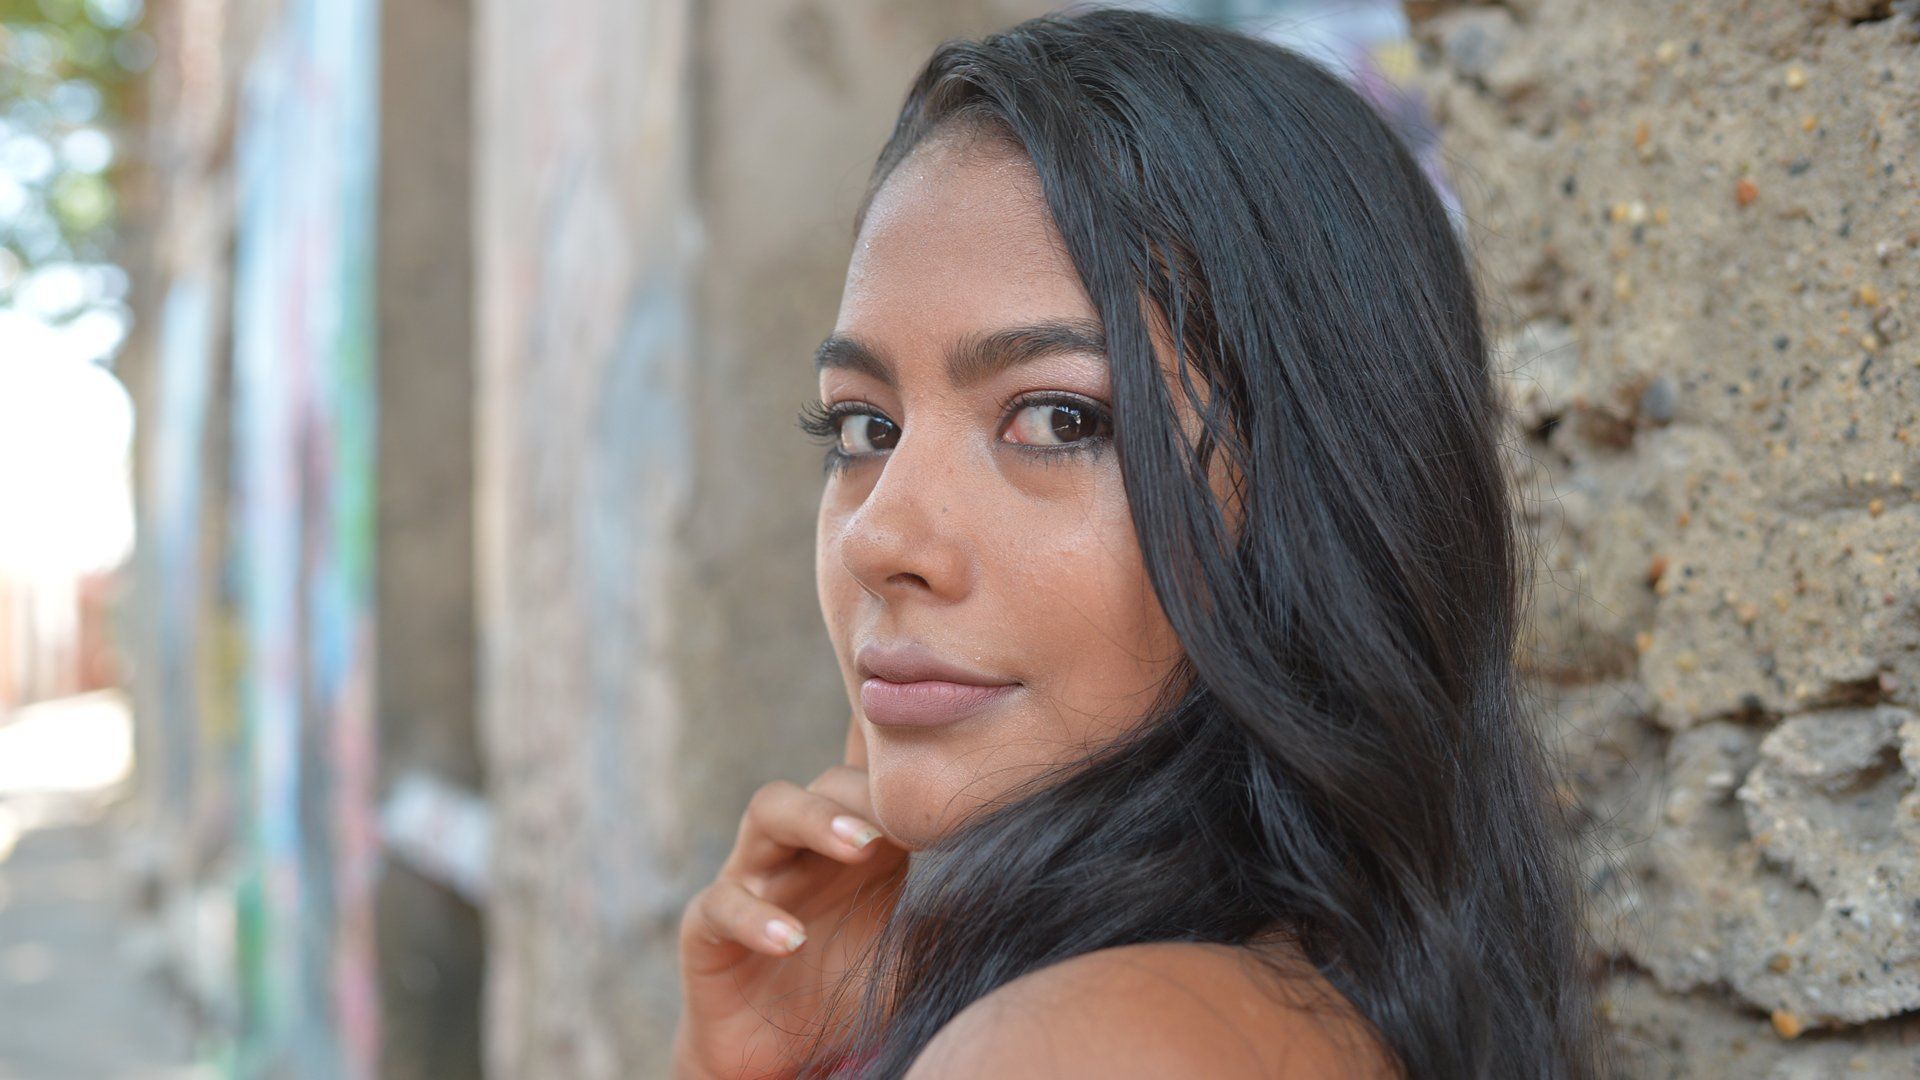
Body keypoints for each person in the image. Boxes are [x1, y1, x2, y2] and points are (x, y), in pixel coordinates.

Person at [674, 7, 1608, 1078]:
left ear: (1321, 494)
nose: (879, 536)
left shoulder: (1089, 1048)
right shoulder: (1273, 1004)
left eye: (1060, 419)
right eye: (863, 428)